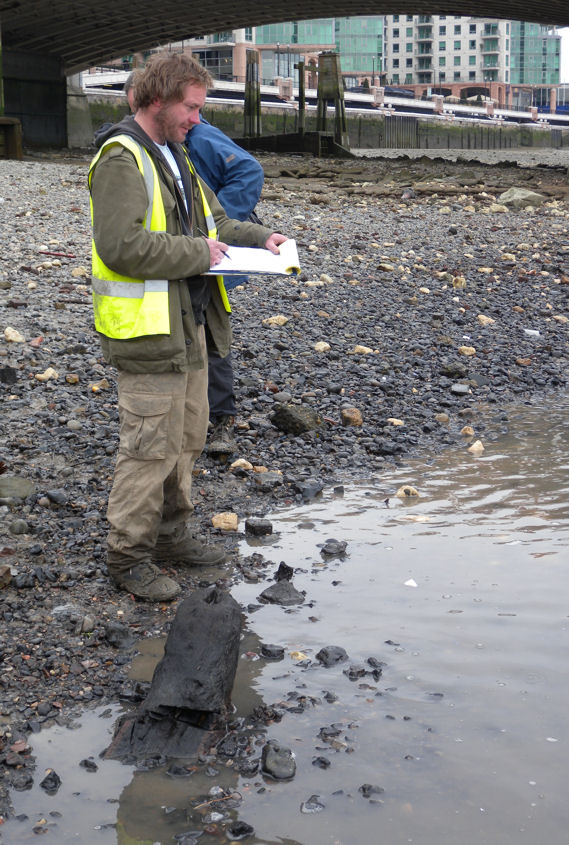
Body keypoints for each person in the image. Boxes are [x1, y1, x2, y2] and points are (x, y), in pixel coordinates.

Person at [88, 52, 287, 602]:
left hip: (190, 326)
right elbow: (120, 245)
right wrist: (198, 254)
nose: (198, 119)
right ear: (159, 99)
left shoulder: (175, 154)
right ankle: (127, 558)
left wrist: (261, 237)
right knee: (149, 447)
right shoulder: (122, 159)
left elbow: (215, 221)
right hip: (147, 333)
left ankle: (171, 537)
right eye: (192, 107)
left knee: (186, 439)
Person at [185, 118, 265, 456]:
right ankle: (199, 419)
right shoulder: (157, 141)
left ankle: (220, 420)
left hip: (206, 256)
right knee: (197, 331)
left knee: (212, 332)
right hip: (187, 255)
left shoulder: (198, 135)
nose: (191, 115)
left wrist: (211, 233)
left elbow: (248, 171)